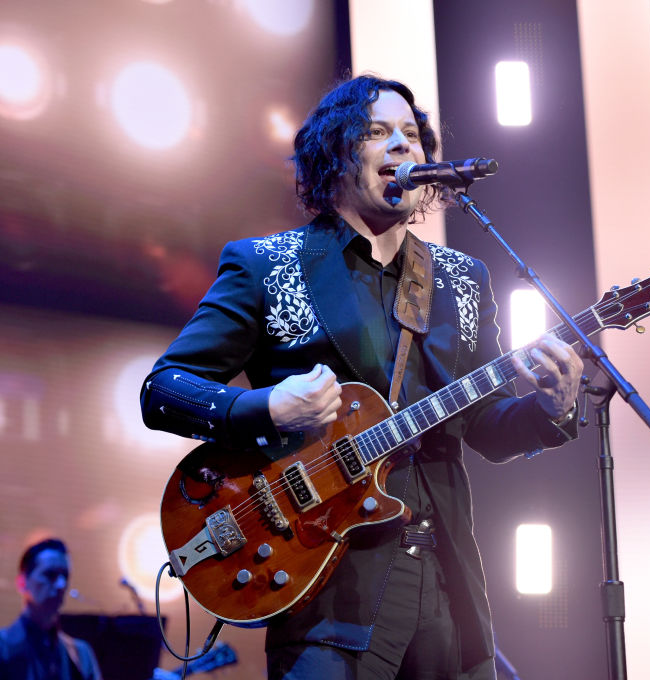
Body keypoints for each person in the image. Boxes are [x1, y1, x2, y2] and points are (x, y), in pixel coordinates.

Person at [140, 74, 583, 679]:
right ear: (335, 153)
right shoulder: (268, 265)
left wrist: (550, 411)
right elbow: (163, 390)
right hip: (326, 592)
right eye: (379, 132)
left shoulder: (461, 279)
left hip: (449, 592)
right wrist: (268, 408)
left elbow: (484, 425)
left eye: (412, 135)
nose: (403, 147)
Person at [0, 539, 103, 680]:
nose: (61, 584)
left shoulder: (81, 654)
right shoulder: (3, 647)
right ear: (22, 582)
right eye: (50, 575)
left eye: (65, 576)